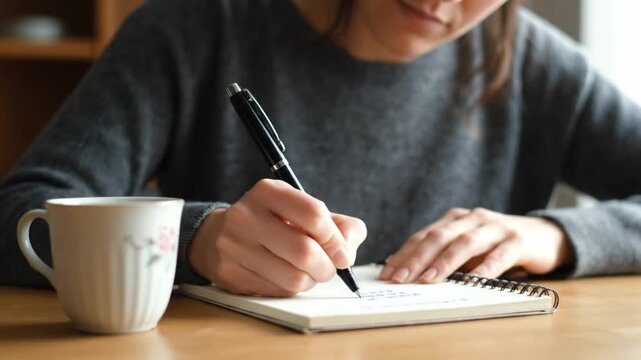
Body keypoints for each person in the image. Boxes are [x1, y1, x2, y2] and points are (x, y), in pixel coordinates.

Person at [1, 0, 640, 297]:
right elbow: (17, 216)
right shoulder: (191, 29)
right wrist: (195, 239)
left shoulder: (535, 64)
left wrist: (553, 237)